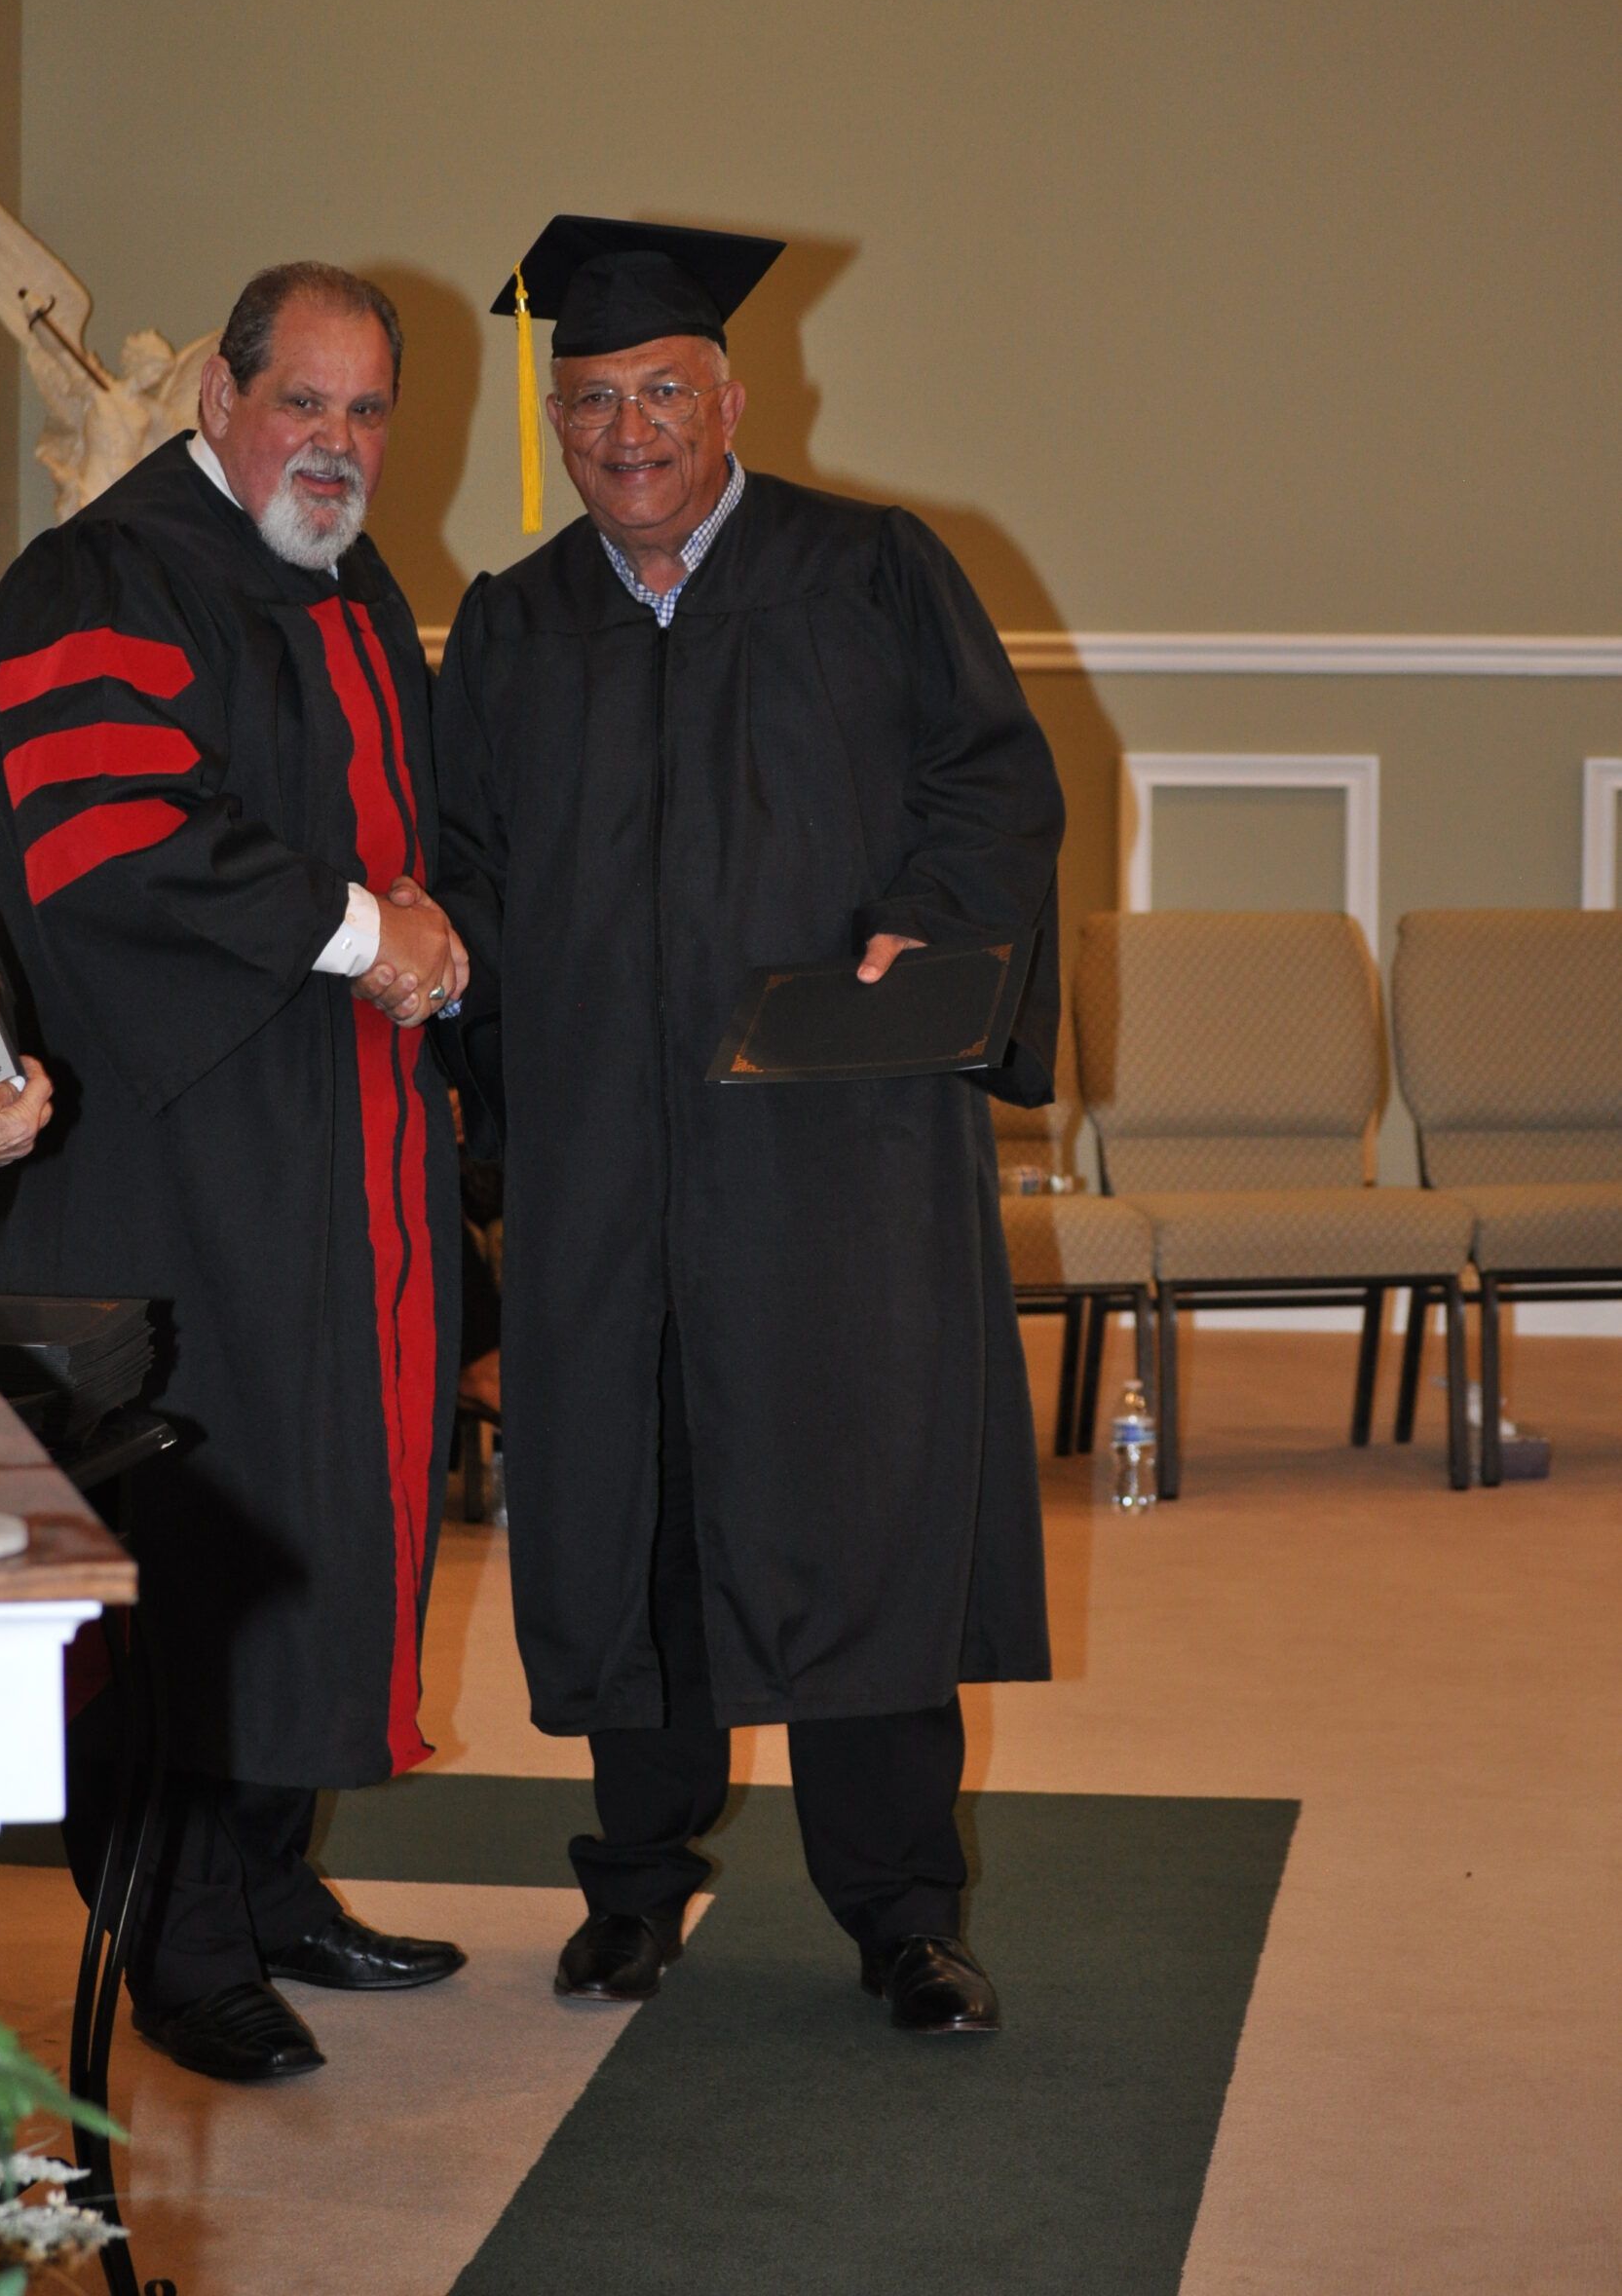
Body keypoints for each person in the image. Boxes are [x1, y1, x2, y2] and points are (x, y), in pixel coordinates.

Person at [432, 216, 1065, 2036]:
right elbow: (465, 861)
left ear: (731, 395)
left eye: (658, 392)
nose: (626, 432)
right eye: (589, 402)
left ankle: (900, 1914)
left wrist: (931, 932)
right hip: (603, 1166)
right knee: (628, 1510)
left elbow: (990, 789)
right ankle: (635, 1884)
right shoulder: (514, 619)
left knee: (860, 1508)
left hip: (830, 1160)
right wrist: (450, 975)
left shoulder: (870, 572)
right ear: (557, 423)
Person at [0, 263, 470, 2085]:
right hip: (172, 1162)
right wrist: (366, 933)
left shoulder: (339, 574)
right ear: (218, 399)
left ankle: (268, 1890)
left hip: (333, 1151)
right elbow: (113, 842)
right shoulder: (97, 576)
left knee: (322, 1510)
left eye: (367, 412)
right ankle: (170, 1943)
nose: (334, 444)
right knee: (194, 1537)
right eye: (302, 403)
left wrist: (440, 942)